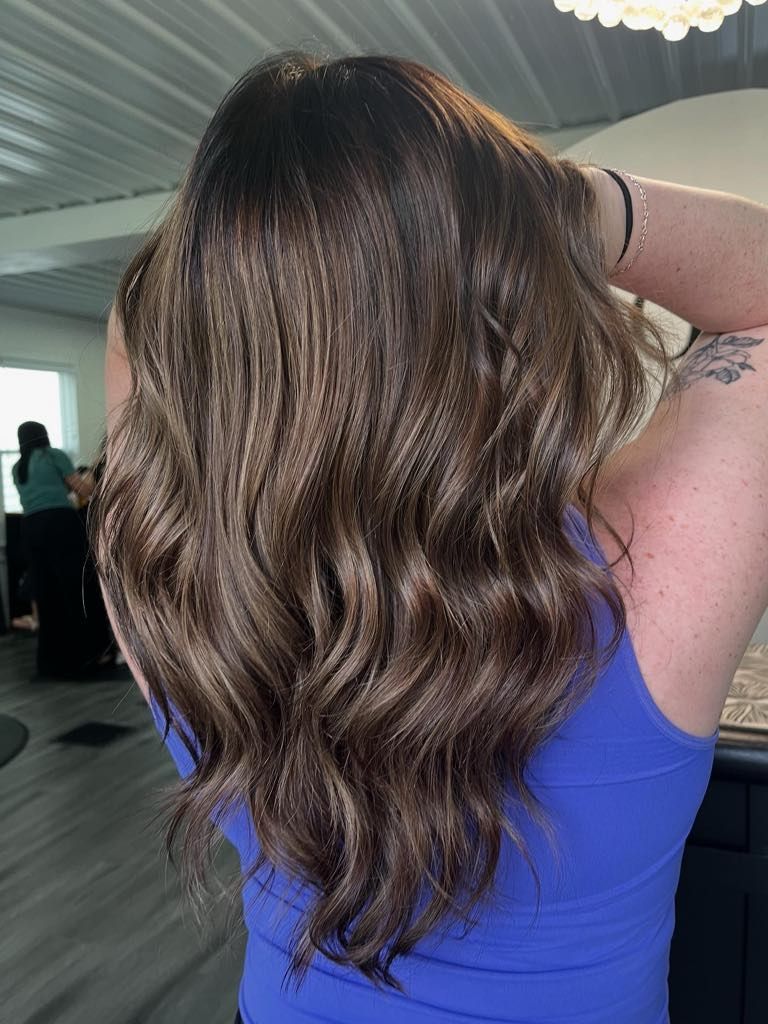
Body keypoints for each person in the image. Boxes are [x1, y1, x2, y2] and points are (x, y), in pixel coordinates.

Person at [95, 54, 768, 1024]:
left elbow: (131, 332)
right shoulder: (651, 565)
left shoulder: (161, 576)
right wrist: (569, 204)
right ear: (501, 313)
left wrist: (239, 243)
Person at [12, 422, 112, 678]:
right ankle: (90, 654)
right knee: (77, 587)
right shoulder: (53, 455)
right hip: (59, 523)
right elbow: (81, 489)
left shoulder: (18, 468)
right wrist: (105, 486)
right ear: (43, 435)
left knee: (47, 593)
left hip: (30, 528)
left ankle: (53, 662)